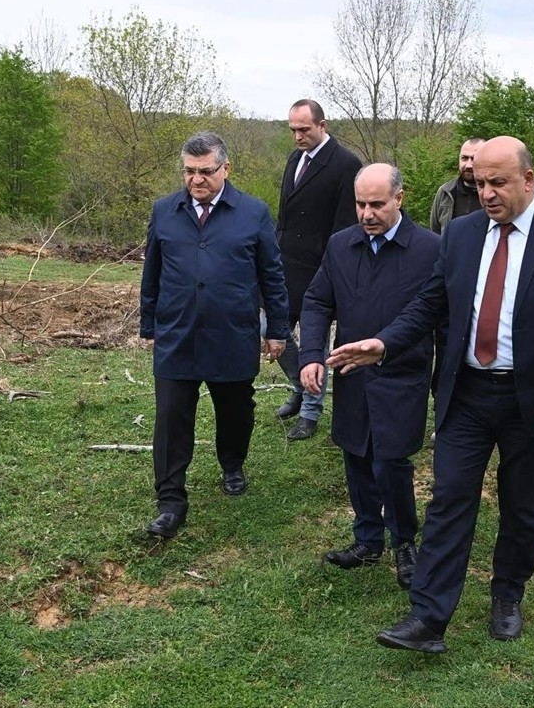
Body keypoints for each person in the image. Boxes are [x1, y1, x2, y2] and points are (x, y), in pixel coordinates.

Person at [327, 136, 534, 653]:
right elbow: (431, 302)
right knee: (450, 499)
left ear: (529, 179)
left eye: (498, 183)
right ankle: (429, 618)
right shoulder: (461, 233)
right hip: (468, 393)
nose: (488, 193)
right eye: (480, 183)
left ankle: (507, 593)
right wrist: (384, 342)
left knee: (523, 504)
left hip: (533, 399)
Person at [139, 131, 289, 539]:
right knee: (171, 417)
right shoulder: (164, 211)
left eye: (206, 171)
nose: (196, 179)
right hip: (177, 334)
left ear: (226, 168)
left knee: (236, 410)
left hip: (232, 333)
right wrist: (148, 324)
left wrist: (277, 329)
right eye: (189, 171)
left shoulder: (254, 213)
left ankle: (232, 463)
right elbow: (151, 273)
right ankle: (171, 501)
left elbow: (272, 276)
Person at [298, 164, 441, 589]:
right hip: (350, 373)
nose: (367, 213)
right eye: (360, 204)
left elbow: (444, 316)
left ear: (400, 198)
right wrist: (311, 355)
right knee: (356, 452)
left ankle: (404, 542)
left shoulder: (430, 249)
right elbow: (317, 301)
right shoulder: (342, 246)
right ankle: (367, 539)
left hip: (403, 373)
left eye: (377, 204)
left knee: (391, 460)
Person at [273, 99, 362, 440]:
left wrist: (332, 272)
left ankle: (310, 411)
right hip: (285, 265)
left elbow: (345, 225)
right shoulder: (295, 158)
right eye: (293, 130)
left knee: (315, 343)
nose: (297, 136)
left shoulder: (345, 164)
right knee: (272, 330)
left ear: (322, 126)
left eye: (304, 129)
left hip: (321, 268)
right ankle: (300, 384)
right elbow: (285, 216)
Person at [429, 137, 485, 234]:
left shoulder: (493, 194)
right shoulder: (445, 192)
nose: (468, 165)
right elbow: (435, 233)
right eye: (464, 158)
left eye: (474, 159)